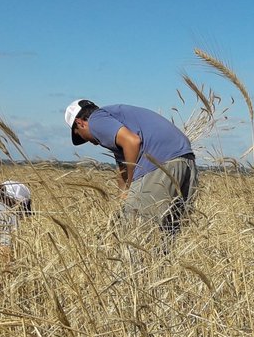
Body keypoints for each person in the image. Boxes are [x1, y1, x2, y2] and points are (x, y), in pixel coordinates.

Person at [65, 99, 197, 236]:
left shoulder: (96, 120)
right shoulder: (117, 118)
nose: (90, 142)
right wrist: (123, 195)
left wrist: (132, 182)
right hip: (186, 160)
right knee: (170, 233)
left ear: (79, 123)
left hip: (160, 162)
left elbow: (132, 142)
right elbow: (122, 166)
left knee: (135, 233)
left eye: (81, 137)